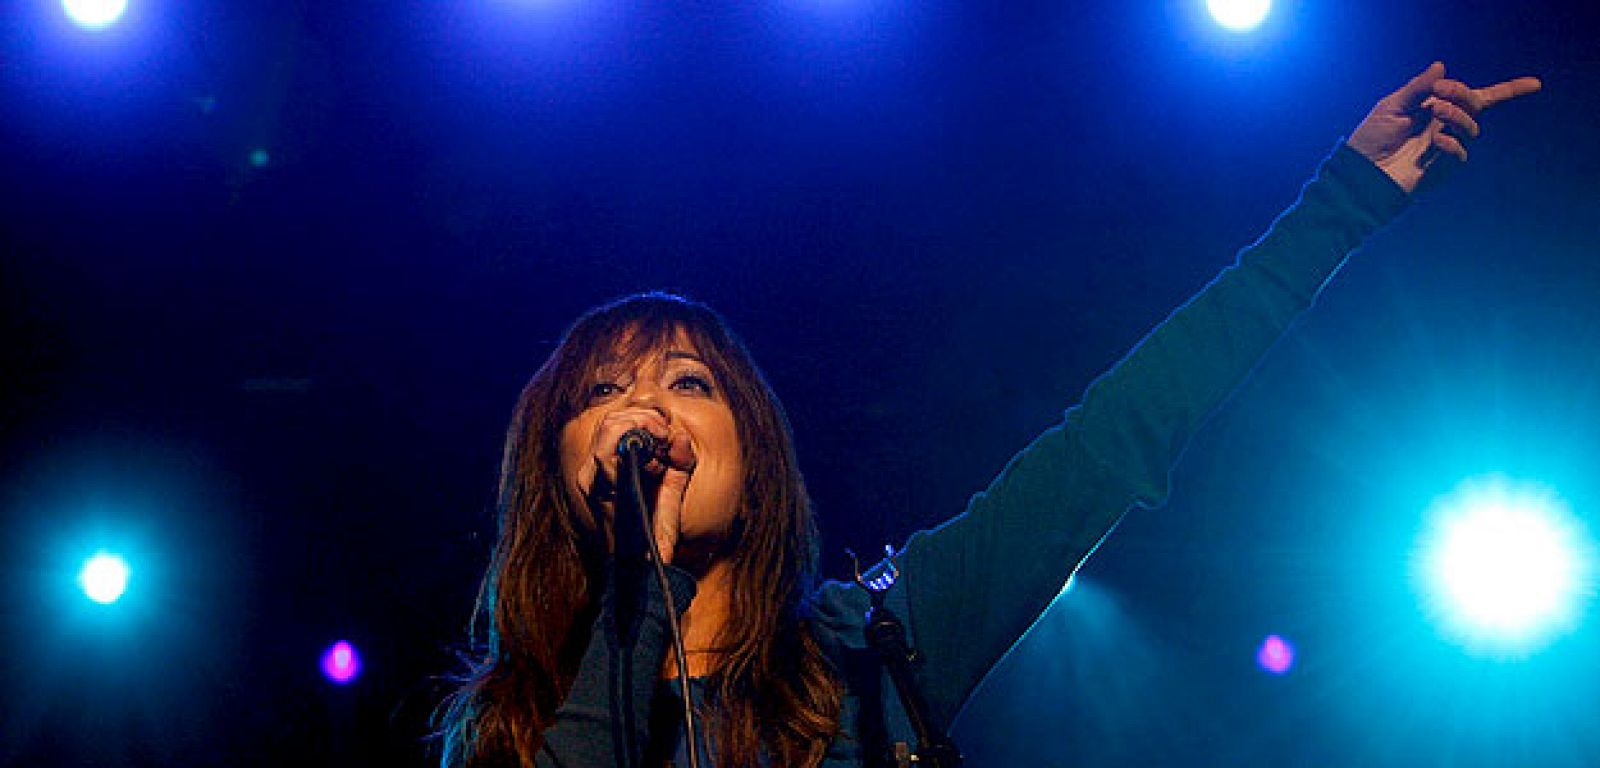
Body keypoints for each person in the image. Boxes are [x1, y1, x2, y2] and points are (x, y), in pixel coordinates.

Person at [435, 62, 1541, 767]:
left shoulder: (877, 642)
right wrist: (643, 582)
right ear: (558, 472)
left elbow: (1115, 438)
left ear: (756, 456)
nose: (643, 406)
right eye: (603, 393)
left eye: (685, 382)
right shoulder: (512, 723)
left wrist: (1336, 207)